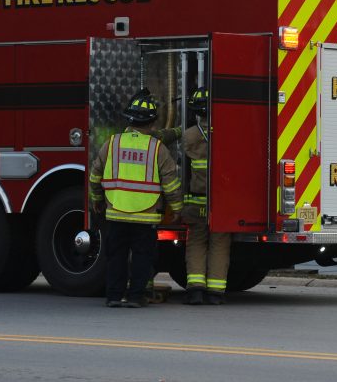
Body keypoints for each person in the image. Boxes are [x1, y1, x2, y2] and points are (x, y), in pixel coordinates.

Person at [89, 89, 183, 308]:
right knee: (142, 258)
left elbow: (95, 175)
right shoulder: (157, 148)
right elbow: (171, 182)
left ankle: (114, 296)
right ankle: (135, 297)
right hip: (145, 216)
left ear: (129, 119)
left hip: (116, 213)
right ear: (152, 122)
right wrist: (177, 208)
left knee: (116, 256)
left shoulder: (112, 143)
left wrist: (97, 199)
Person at [181, 87, 231, 305]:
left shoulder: (190, 135)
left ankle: (195, 290)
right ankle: (216, 293)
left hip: (196, 200)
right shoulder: (227, 132)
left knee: (196, 243)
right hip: (221, 202)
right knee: (219, 244)